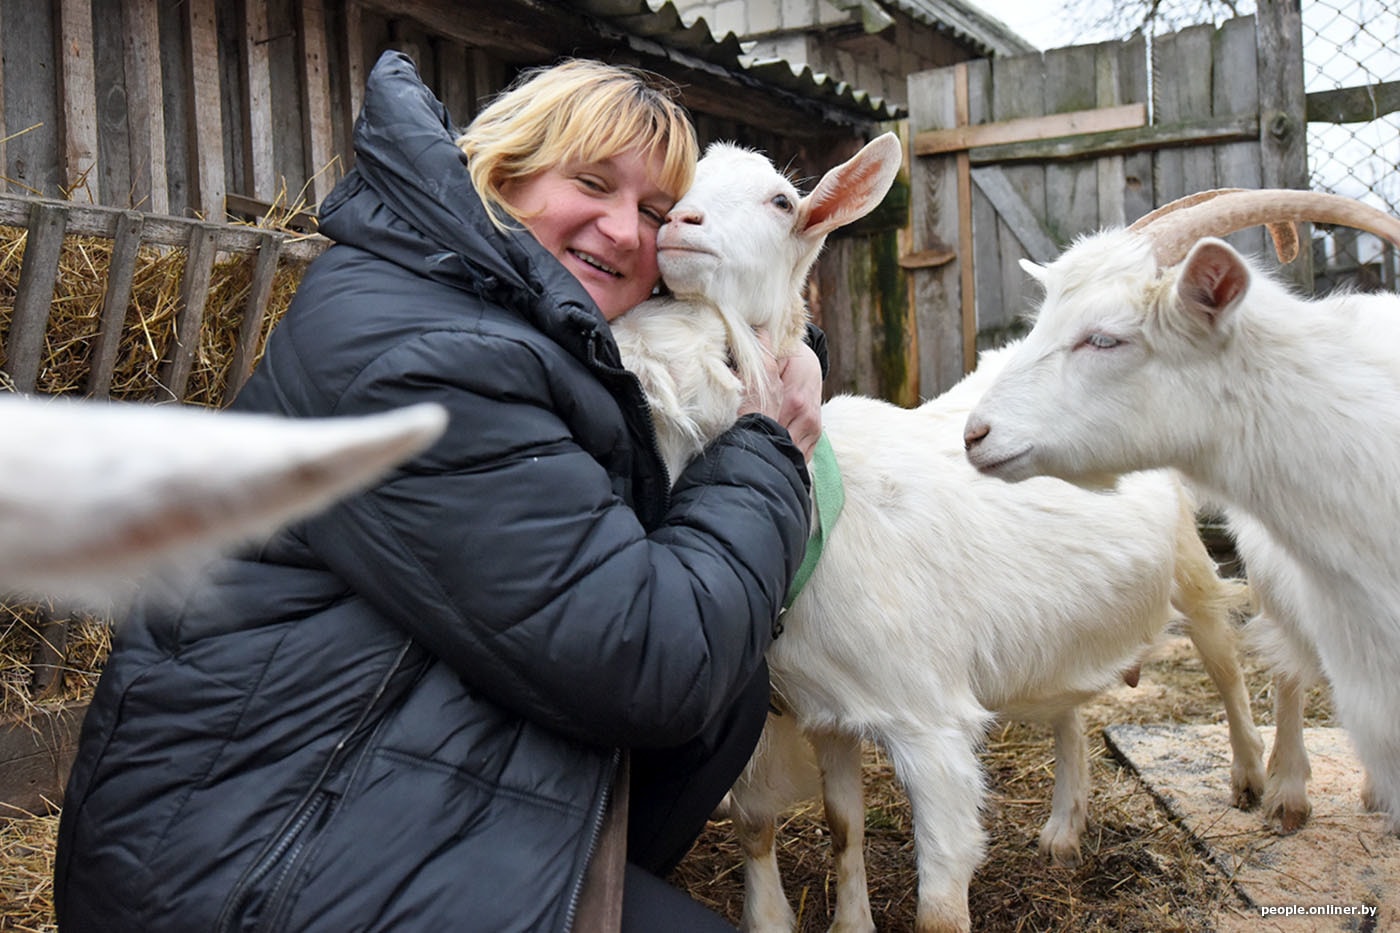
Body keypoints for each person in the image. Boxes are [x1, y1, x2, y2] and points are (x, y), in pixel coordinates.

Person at [54, 50, 824, 933]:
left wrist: (782, 334)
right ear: (501, 171)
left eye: (653, 212)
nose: (622, 231)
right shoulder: (426, 354)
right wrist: (769, 448)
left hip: (358, 782)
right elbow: (648, 656)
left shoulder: (503, 316)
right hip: (242, 865)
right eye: (591, 183)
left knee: (727, 702)